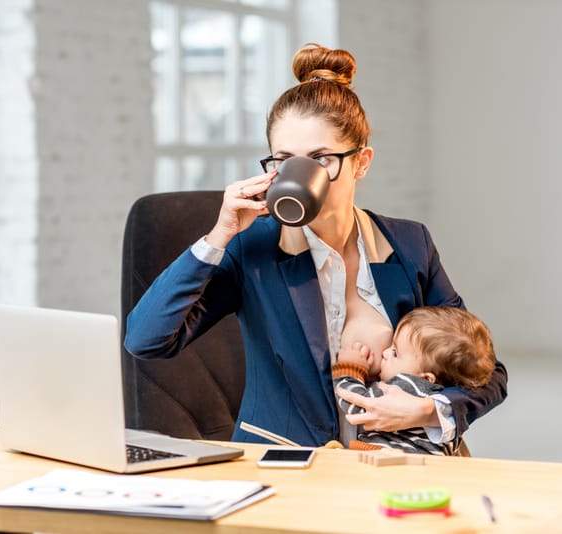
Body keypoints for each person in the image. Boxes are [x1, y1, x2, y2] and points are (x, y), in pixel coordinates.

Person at [124, 43, 508, 448]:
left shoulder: (409, 245)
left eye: (321, 158)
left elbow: (487, 373)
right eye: (285, 159)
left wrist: (428, 410)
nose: (301, 173)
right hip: (286, 463)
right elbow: (146, 340)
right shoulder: (251, 250)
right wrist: (218, 235)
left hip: (397, 464)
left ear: (361, 162)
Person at [333, 306, 496, 455]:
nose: (386, 353)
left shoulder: (408, 386)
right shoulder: (439, 394)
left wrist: (352, 369)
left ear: (425, 378)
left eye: (396, 353)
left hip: (390, 461)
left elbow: (359, 406)